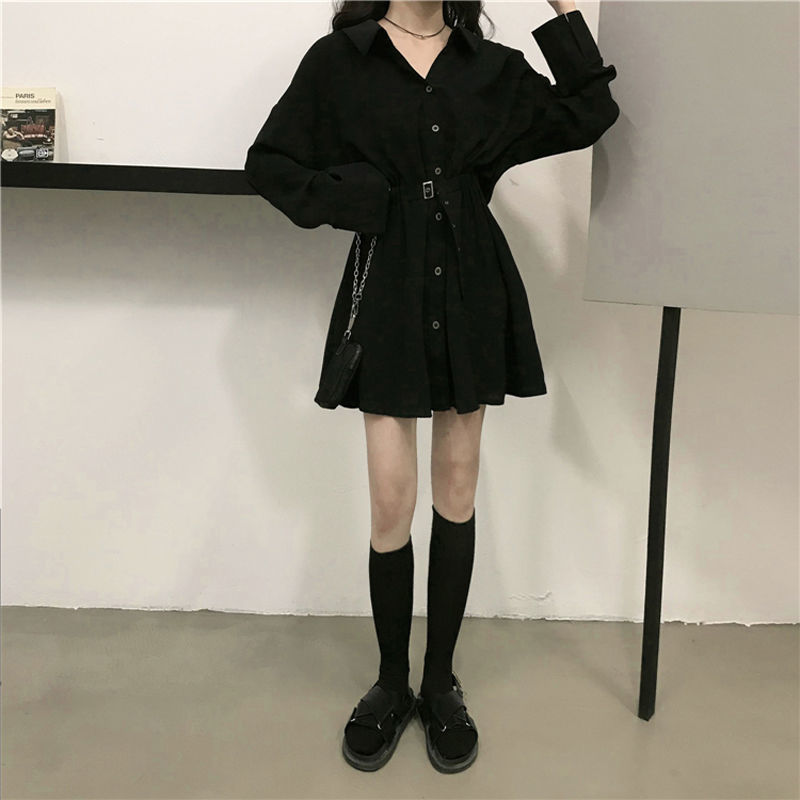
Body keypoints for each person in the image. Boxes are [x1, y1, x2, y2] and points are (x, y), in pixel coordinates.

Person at [244, 0, 619, 774]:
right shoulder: (342, 60)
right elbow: (271, 163)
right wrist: (358, 201)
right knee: (391, 499)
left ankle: (440, 682)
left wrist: (564, 7)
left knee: (456, 489)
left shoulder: (490, 68)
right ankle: (391, 682)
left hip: (472, 285)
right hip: (387, 288)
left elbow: (589, 112)